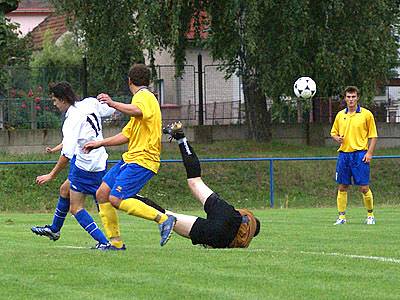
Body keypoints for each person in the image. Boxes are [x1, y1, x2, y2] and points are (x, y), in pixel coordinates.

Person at [83, 63, 176, 248]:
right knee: (102, 193)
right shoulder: (142, 100)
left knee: (116, 199)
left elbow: (138, 110)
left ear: (129, 81)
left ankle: (164, 219)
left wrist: (113, 103)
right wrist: (99, 143)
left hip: (143, 159)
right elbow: (126, 135)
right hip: (131, 158)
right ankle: (115, 243)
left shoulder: (144, 97)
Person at [31, 81, 120, 250]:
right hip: (99, 159)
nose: (54, 104)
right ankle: (54, 229)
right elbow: (110, 110)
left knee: (77, 207)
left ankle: (105, 242)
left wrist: (51, 175)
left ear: (64, 99)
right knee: (65, 190)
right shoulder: (89, 102)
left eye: (55, 101)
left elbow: (67, 155)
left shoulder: (72, 118)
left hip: (86, 165)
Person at [148, 121, 260, 248]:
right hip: (220, 237)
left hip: (229, 214)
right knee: (167, 215)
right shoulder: (242, 241)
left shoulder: (246, 216)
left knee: (195, 180)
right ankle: (132, 197)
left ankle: (181, 138)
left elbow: (240, 214)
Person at [330, 86, 378, 225]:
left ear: (357, 98)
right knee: (342, 186)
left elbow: (373, 136)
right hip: (344, 155)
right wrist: (337, 138)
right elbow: (333, 132)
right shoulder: (340, 115)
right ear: (345, 98)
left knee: (364, 187)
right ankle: (342, 217)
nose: (351, 99)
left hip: (360, 154)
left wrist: (369, 153)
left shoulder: (366, 114)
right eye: (348, 97)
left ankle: (370, 215)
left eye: (353, 97)